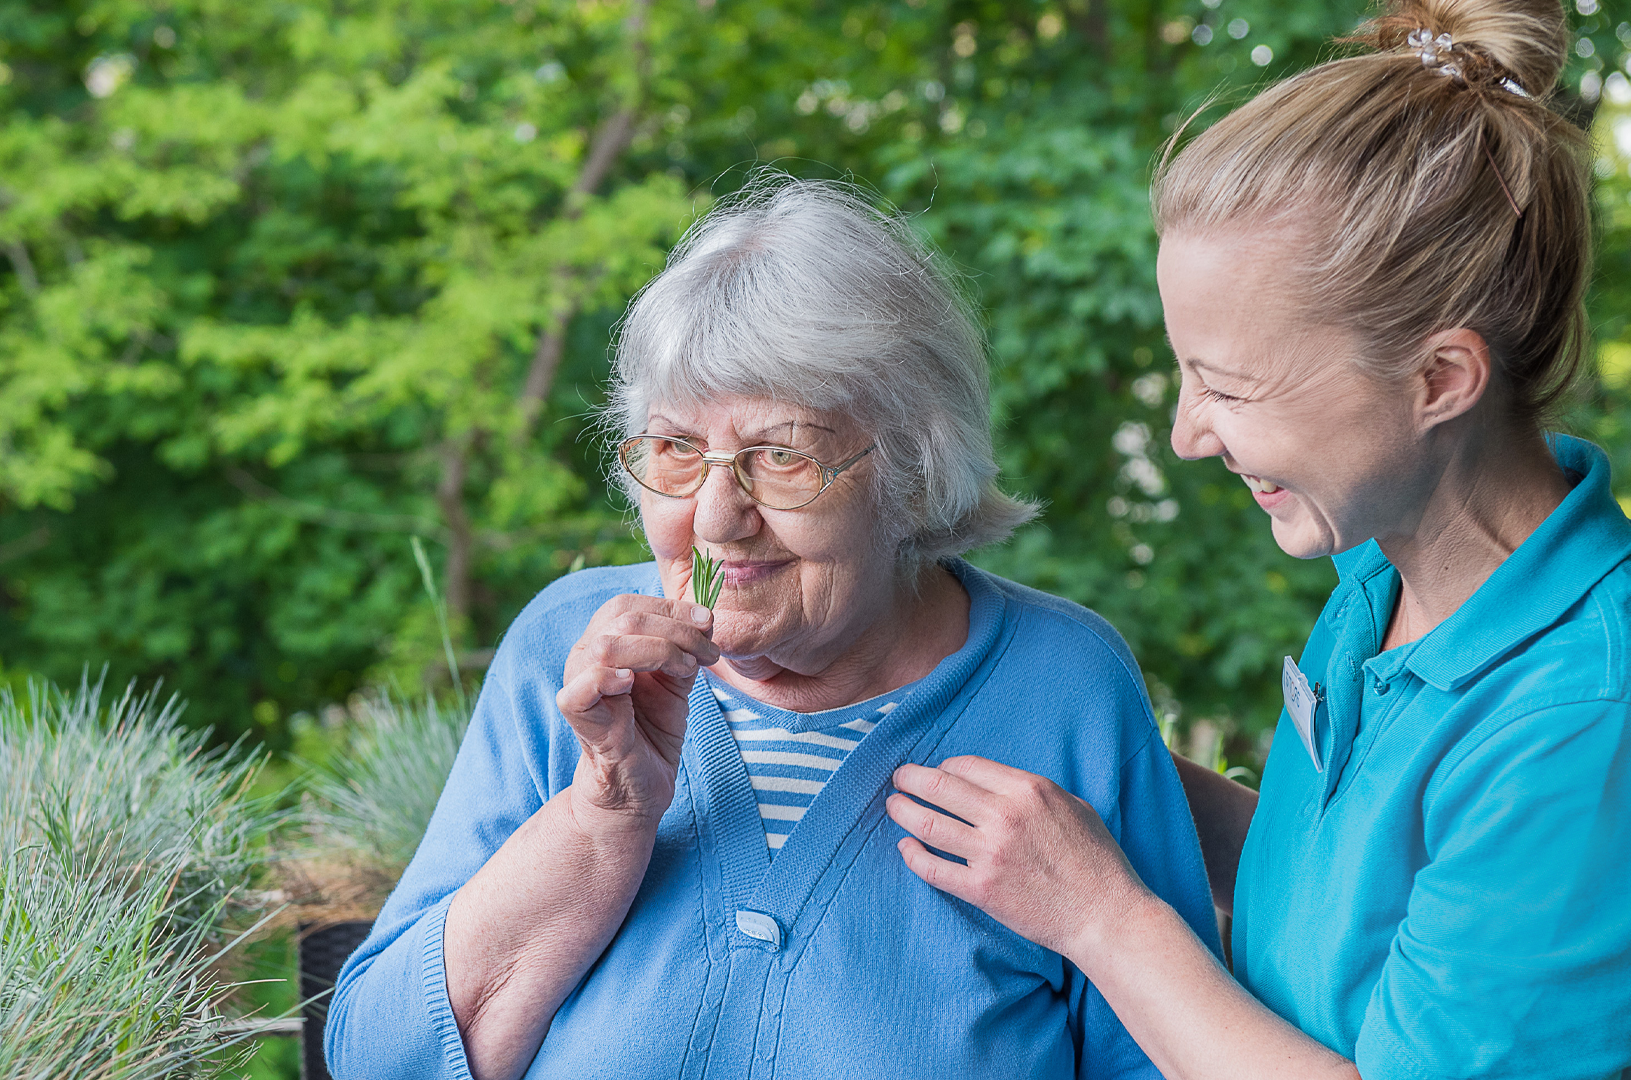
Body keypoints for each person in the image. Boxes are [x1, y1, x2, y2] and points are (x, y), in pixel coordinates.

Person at [324, 178, 1217, 1079]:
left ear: (913, 470)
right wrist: (602, 818)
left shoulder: (1063, 685)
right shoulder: (567, 655)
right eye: (675, 449)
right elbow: (377, 1059)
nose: (715, 517)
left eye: (782, 456)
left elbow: (1165, 1059)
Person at [884, 2, 1631, 1078]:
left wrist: (1102, 916)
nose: (1188, 435)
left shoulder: (1580, 718)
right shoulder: (1383, 580)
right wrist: (1105, 767)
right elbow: (1355, 901)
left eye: (1228, 387)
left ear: (1440, 381)